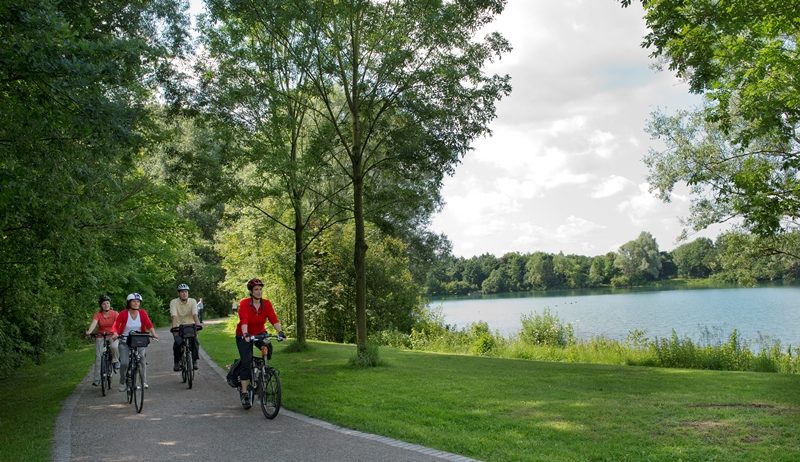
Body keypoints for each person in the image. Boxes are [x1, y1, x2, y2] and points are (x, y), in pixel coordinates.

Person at [235, 278, 286, 409]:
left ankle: (260, 367)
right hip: (243, 335)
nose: (259, 292)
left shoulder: (267, 304)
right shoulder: (245, 303)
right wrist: (245, 334)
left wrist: (280, 332)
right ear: (251, 292)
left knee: (268, 348)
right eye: (256, 289)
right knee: (246, 362)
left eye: (260, 289)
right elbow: (244, 319)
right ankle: (245, 392)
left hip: (260, 333)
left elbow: (273, 318)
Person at [112, 293, 159, 392]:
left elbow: (148, 324)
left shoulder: (142, 313)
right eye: (133, 301)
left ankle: (143, 381)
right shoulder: (123, 313)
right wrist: (115, 333)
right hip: (125, 341)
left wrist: (154, 333)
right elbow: (115, 325)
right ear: (129, 303)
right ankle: (122, 381)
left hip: (138, 341)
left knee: (142, 360)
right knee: (124, 363)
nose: (136, 303)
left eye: (138, 302)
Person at [85, 295, 120, 386]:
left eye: (107, 303)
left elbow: (120, 324)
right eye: (104, 304)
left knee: (114, 346)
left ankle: (115, 361)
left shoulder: (115, 313)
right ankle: (97, 379)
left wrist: (117, 332)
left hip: (113, 335)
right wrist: (89, 331)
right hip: (101, 336)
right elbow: (94, 323)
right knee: (99, 357)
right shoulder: (98, 315)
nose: (106, 305)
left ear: (110, 304)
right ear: (101, 305)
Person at [169, 283, 201, 371]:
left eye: (186, 292)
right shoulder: (174, 302)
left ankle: (194, 361)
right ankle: (177, 362)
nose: (184, 293)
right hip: (179, 327)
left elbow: (195, 314)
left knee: (195, 342)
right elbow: (174, 317)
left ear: (188, 293)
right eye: (182, 292)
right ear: (179, 293)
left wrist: (198, 325)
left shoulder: (193, 301)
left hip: (190, 326)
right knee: (177, 344)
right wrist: (175, 332)